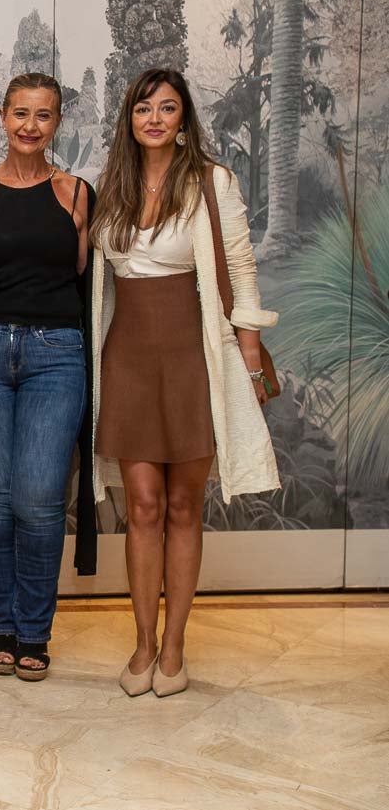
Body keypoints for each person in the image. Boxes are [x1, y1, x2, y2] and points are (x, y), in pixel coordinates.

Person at [91, 68, 278, 698]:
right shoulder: (110, 186)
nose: (154, 119)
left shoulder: (211, 181)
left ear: (183, 120)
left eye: (167, 108)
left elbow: (241, 271)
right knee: (142, 506)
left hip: (193, 358)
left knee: (182, 506)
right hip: (128, 359)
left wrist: (249, 364)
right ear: (129, 119)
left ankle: (174, 648)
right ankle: (143, 644)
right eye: (143, 108)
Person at [0, 73, 98, 682]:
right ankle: (2, 627)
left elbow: (89, 282)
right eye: (20, 113)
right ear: (2, 116)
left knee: (38, 500)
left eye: (43, 115)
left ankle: (35, 630)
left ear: (57, 122)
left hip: (56, 354)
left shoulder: (77, 194)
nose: (30, 126)